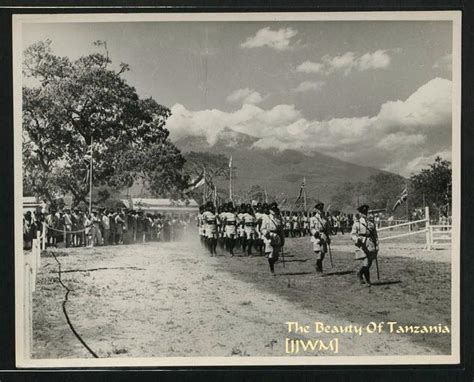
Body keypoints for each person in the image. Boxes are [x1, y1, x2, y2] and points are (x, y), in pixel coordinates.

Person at [351, 204, 379, 287]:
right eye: (363, 212)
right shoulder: (357, 223)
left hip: (370, 244)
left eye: (366, 212)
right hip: (362, 244)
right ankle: (363, 277)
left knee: (369, 263)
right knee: (366, 263)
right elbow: (352, 234)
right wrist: (356, 239)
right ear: (360, 213)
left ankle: (363, 276)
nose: (365, 214)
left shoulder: (371, 223)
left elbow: (375, 235)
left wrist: (377, 244)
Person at [309, 202, 330, 273]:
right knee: (319, 252)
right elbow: (311, 228)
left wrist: (328, 237)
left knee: (323, 253)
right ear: (316, 210)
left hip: (323, 236)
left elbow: (327, 229)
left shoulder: (325, 218)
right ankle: (320, 270)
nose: (320, 210)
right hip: (316, 237)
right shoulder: (313, 218)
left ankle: (317, 264)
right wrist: (315, 233)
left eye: (321, 209)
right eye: (319, 209)